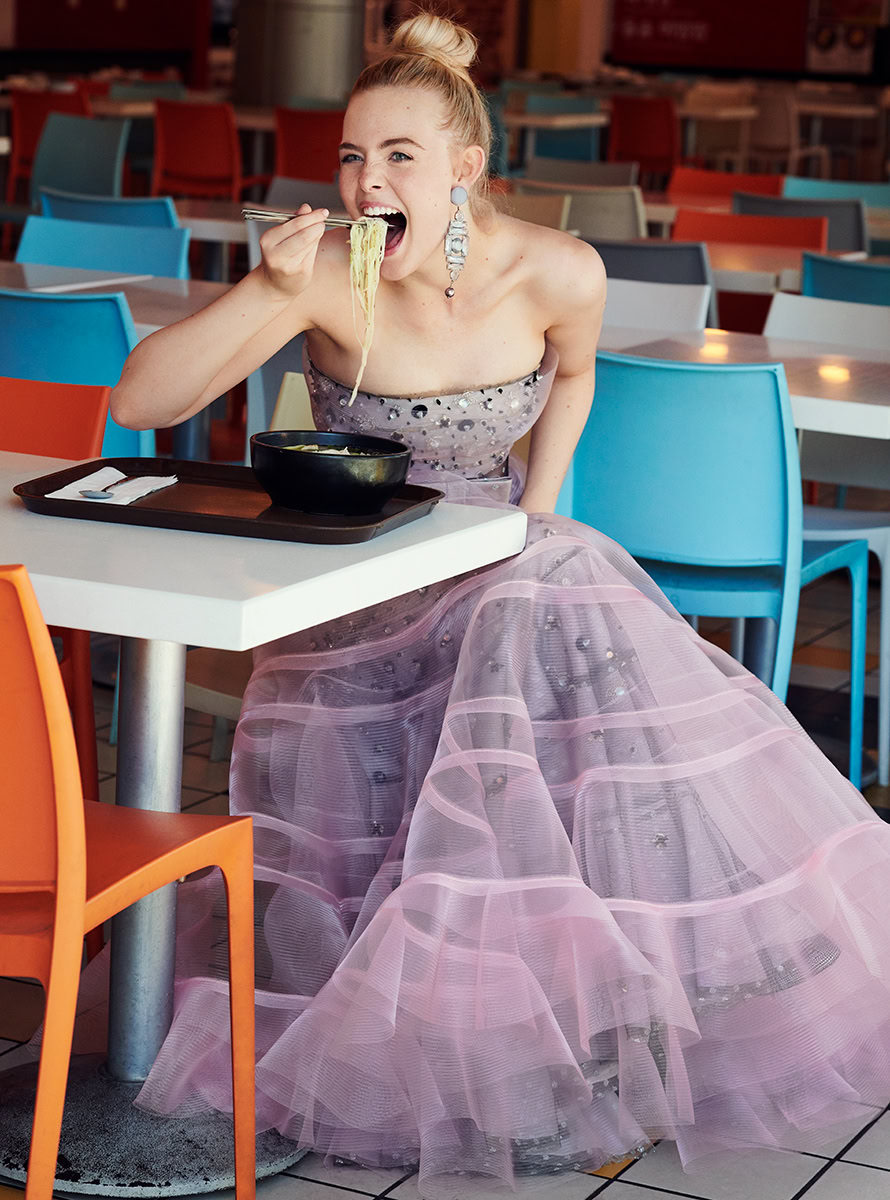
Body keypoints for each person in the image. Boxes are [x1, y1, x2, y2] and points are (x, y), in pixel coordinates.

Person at [110, 11, 890, 1194]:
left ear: (464, 168)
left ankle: (582, 1040)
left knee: (552, 603)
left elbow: (571, 373)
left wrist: (539, 506)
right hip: (355, 574)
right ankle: (411, 1042)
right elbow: (139, 401)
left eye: (399, 158)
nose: (368, 182)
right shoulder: (324, 273)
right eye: (352, 158)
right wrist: (260, 287)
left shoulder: (559, 269)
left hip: (496, 555)